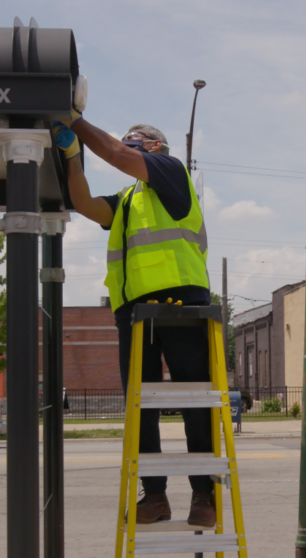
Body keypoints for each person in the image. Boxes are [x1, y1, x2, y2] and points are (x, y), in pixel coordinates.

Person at [52, 111, 215, 527]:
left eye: (136, 138)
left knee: (193, 401)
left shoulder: (170, 171)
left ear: (155, 146)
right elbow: (84, 204)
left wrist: (76, 120)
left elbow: (115, 152)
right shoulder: (127, 201)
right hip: (134, 311)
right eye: (128, 138)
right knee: (140, 408)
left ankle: (204, 495)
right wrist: (72, 156)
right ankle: (155, 496)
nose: (127, 141)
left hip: (181, 302)